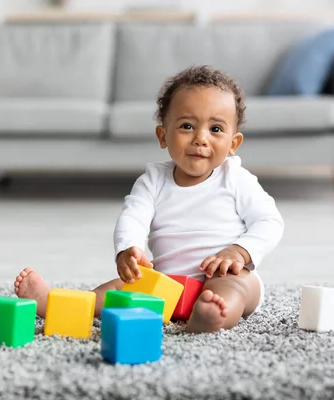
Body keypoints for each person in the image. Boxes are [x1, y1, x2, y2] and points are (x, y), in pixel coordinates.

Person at [14, 65, 284, 333]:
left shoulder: (236, 178)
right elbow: (133, 217)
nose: (201, 138)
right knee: (119, 289)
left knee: (234, 289)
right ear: (163, 135)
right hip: (168, 285)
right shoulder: (153, 180)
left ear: (233, 144)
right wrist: (128, 250)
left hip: (226, 275)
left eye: (215, 129)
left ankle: (211, 317)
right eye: (187, 126)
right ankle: (56, 303)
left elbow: (269, 221)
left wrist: (239, 252)